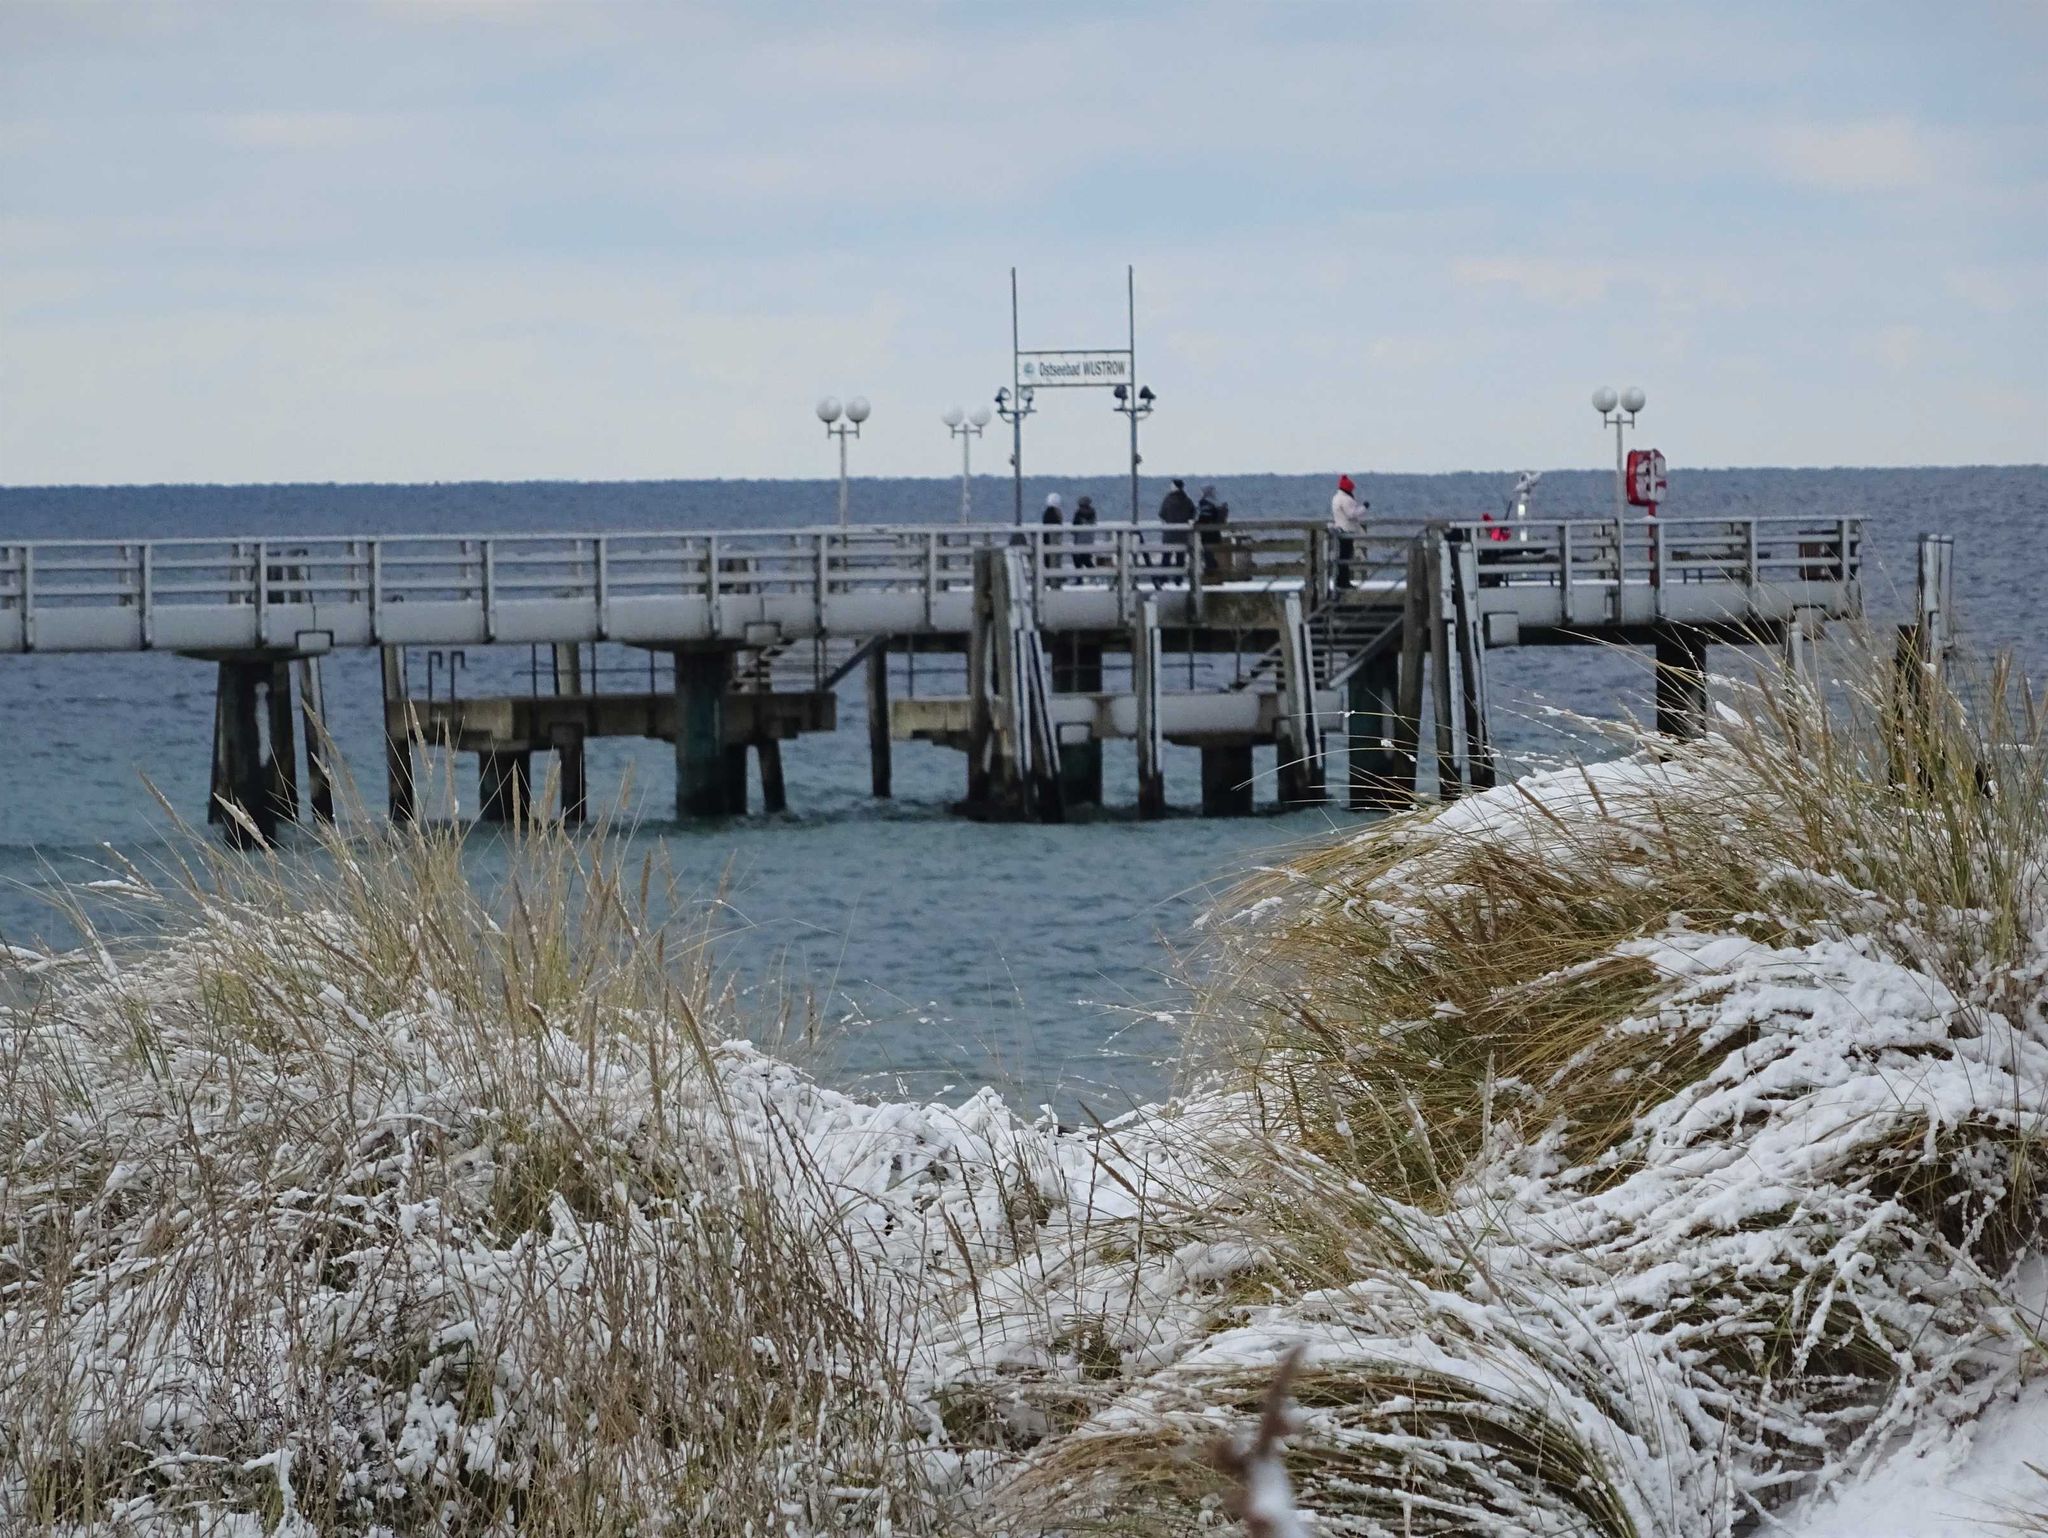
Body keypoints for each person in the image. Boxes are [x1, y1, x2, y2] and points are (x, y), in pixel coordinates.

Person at [1330, 474, 1368, 590]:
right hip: (1347, 531)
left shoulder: (1336, 498)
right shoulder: (1346, 499)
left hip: (1340, 529)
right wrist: (1364, 508)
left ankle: (1340, 580)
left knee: (1342, 557)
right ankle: (1344, 581)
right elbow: (1352, 514)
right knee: (1345, 557)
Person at [1157, 477, 1197, 584]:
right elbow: (1193, 513)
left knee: (1166, 556)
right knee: (1180, 557)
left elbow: (1162, 514)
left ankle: (1163, 577)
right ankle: (1178, 578)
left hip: (1169, 533)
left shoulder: (1168, 499)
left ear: (1174, 486)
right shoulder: (1187, 500)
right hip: (1182, 533)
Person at [1195, 484, 1229, 576]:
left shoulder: (1204, 503)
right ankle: (1213, 572)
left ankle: (1211, 573)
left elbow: (1205, 517)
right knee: (1209, 554)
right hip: (1215, 533)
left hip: (1207, 533)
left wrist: (1196, 523)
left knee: (1206, 553)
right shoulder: (1216, 502)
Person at [1070, 494, 1098, 570]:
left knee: (1077, 559)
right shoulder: (1092, 514)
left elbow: (1073, 529)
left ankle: (1079, 579)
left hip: (1079, 540)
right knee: (1086, 559)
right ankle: (1095, 576)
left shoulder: (1078, 514)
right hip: (1089, 540)